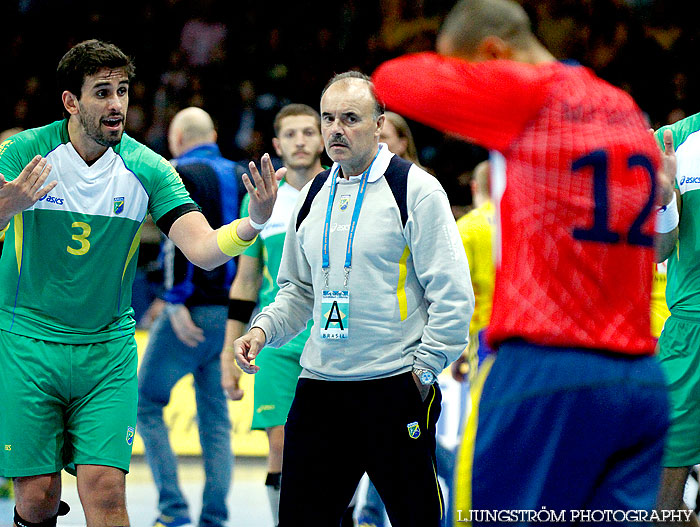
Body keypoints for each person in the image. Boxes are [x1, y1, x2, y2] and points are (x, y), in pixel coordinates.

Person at [373, 0, 674, 522]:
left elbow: (393, 80)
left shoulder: (527, 95)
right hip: (639, 381)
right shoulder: (623, 106)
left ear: (495, 53)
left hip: (544, 371)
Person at [0, 39, 282, 527]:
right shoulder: (24, 152)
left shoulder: (148, 168)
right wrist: (10, 204)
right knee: (35, 496)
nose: (116, 105)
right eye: (102, 92)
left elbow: (203, 249)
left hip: (107, 350)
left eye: (123, 92)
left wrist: (252, 223)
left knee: (107, 491)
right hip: (26, 343)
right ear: (71, 101)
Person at [233, 71, 474, 526]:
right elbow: (297, 290)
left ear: (379, 124)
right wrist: (261, 330)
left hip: (394, 386)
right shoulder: (312, 194)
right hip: (320, 387)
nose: (336, 129)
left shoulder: (416, 190)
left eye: (350, 118)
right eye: (328, 118)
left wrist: (421, 373)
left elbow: (453, 296)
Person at [137, 107, 243, 527]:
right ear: (214, 133)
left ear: (178, 138)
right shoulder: (241, 173)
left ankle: (172, 509)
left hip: (192, 311)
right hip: (231, 315)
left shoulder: (177, 170)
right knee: (215, 419)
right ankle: (214, 518)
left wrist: (175, 300)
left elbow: (174, 245)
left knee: (145, 404)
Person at [219, 103, 324, 527]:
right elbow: (246, 283)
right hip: (277, 342)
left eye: (308, 132)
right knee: (281, 444)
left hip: (335, 339)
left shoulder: (341, 189)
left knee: (335, 447)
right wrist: (230, 353)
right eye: (291, 134)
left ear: (321, 139)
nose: (301, 141)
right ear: (277, 145)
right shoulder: (259, 200)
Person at [654, 112, 700, 525]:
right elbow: (655, 251)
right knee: (661, 506)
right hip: (690, 333)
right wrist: (663, 198)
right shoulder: (671, 141)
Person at [452, 160, 495, 382]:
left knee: (481, 406)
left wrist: (460, 347)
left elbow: (456, 291)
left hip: (484, 335)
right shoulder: (521, 222)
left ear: (474, 187)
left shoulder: (468, 228)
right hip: (522, 338)